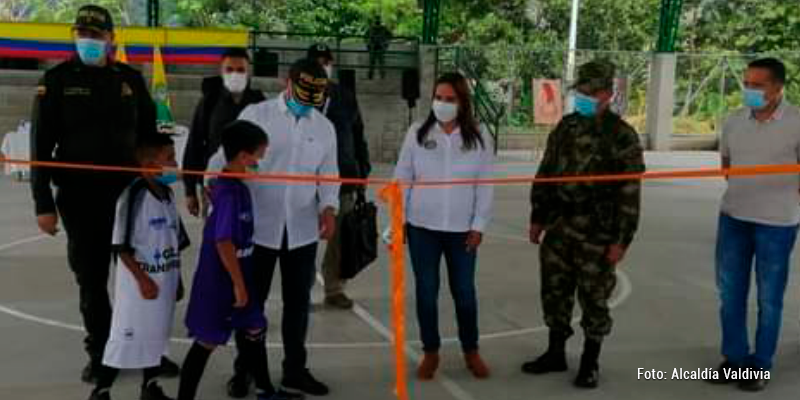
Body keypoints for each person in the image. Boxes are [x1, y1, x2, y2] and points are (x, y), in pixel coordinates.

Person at [29, 4, 179, 383]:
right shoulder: (57, 81)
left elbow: (149, 134)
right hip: (80, 200)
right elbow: (40, 149)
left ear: (112, 39)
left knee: (144, 273)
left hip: (131, 198)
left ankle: (149, 351)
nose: (89, 41)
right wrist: (43, 204)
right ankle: (101, 353)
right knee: (92, 279)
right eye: (82, 34)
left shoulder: (129, 79)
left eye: (96, 35)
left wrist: (166, 165)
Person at [210, 58, 336, 397]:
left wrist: (329, 208)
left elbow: (329, 175)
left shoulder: (324, 127)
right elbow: (223, 160)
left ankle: (294, 371)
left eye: (314, 96)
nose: (306, 101)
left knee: (298, 306)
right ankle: (245, 370)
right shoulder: (256, 115)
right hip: (257, 229)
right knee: (251, 304)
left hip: (302, 231)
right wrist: (214, 190)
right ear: (287, 82)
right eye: (302, 92)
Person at [523, 60, 644, 389]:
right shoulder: (567, 126)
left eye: (591, 92)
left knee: (594, 298)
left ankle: (590, 362)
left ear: (608, 93)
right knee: (554, 293)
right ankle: (555, 352)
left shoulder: (622, 137)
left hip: (598, 233)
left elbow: (630, 194)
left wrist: (622, 240)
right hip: (559, 227)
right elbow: (546, 174)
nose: (584, 97)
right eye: (581, 91)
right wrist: (538, 217)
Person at [178, 121, 298, 400]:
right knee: (207, 341)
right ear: (243, 156)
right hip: (221, 281)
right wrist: (238, 285)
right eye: (259, 156)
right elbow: (223, 242)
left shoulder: (238, 186)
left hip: (241, 274)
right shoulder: (229, 192)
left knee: (255, 327)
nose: (260, 162)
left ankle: (265, 390)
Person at [704, 58, 800, 392]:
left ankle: (759, 364)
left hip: (777, 224)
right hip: (733, 218)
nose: (750, 90)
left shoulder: (797, 122)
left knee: (770, 298)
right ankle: (735, 359)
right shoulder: (734, 121)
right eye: (747, 83)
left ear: (778, 88)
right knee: (730, 294)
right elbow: (727, 164)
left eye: (758, 85)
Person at [394, 72, 494, 380]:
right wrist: (398, 223)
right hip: (422, 228)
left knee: (464, 292)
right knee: (426, 292)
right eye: (439, 97)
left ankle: (471, 350)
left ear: (463, 102)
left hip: (462, 231)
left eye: (450, 99)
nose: (443, 104)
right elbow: (402, 180)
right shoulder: (417, 133)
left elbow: (485, 185)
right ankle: (431, 352)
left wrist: (478, 225)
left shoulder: (479, 137)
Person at [89, 134, 190, 400]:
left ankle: (150, 386)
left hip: (165, 281)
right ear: (147, 163)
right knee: (125, 339)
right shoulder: (133, 196)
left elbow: (175, 240)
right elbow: (121, 246)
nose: (174, 163)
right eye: (169, 158)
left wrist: (177, 280)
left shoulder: (167, 195)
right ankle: (101, 390)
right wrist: (143, 280)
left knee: (156, 337)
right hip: (140, 286)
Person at [307, 43, 372, 310]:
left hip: (343, 177)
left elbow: (358, 135)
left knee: (340, 237)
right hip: (306, 180)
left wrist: (362, 170)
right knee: (305, 238)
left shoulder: (345, 96)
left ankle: (334, 289)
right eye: (318, 62)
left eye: (327, 62)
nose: (324, 66)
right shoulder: (300, 97)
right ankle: (303, 288)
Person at [183, 47, 266, 218]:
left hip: (251, 182)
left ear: (248, 71)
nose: (235, 74)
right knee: (217, 234)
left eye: (241, 70)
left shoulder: (259, 102)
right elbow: (195, 144)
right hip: (215, 182)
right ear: (221, 71)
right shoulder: (210, 101)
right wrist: (189, 190)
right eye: (229, 69)